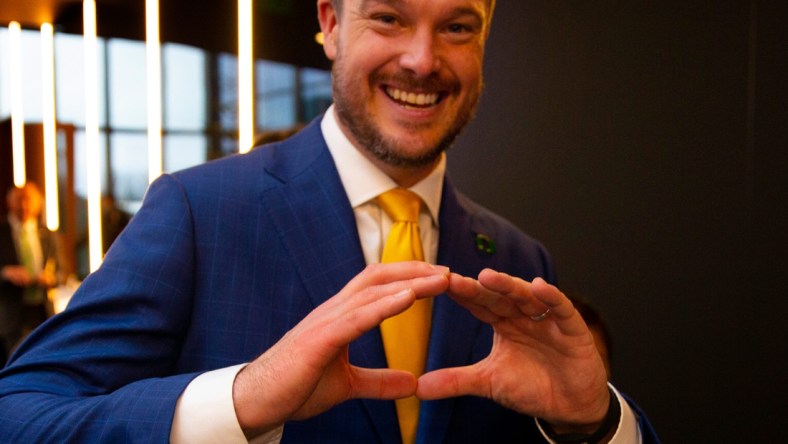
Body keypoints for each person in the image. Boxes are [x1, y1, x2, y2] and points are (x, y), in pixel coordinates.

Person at [0, 1, 660, 442]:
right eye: (390, 19)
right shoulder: (198, 212)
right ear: (331, 24)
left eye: (458, 27)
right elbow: (20, 414)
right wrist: (244, 401)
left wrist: (592, 423)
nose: (423, 60)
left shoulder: (517, 257)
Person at [0, 183, 65, 366]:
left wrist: (51, 278)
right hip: (11, 315)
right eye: (19, 200)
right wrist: (5, 273)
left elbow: (62, 272)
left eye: (29, 201)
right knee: (14, 367)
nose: (24, 206)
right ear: (9, 202)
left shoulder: (48, 234)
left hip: (42, 311)